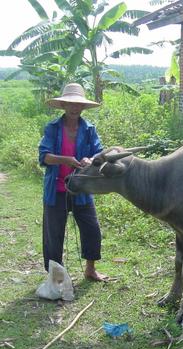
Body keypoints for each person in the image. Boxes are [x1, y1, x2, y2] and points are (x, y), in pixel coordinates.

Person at [38, 83, 109, 282]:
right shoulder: (52, 128)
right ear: (63, 105)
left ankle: (90, 269)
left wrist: (90, 159)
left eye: (78, 104)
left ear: (83, 107)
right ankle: (55, 275)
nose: (74, 107)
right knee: (54, 234)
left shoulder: (89, 129)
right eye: (70, 103)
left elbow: (98, 152)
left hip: (81, 188)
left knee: (91, 228)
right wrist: (65, 160)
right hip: (56, 189)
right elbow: (44, 157)